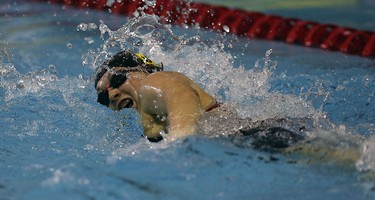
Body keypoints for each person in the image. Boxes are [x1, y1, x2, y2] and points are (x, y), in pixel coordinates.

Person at [94, 50, 362, 167]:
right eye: (103, 98)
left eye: (116, 80)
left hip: (261, 136)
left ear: (141, 69)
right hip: (255, 136)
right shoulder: (150, 106)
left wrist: (178, 146)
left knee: (355, 161)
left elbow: (182, 107)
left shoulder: (155, 83)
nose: (113, 94)